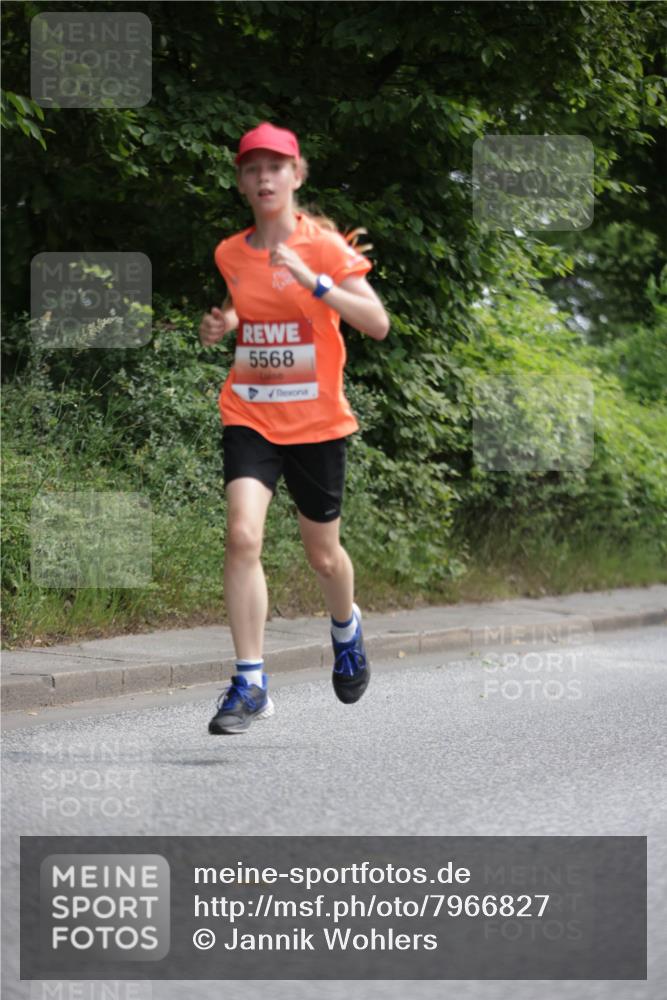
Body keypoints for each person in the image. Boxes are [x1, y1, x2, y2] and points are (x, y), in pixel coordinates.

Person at [199, 122, 390, 735]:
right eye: (252, 168)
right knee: (241, 536)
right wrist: (227, 321)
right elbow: (250, 298)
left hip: (317, 423)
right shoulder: (231, 252)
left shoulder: (326, 249)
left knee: (324, 557)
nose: (264, 177)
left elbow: (377, 323)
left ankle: (346, 630)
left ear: (296, 176)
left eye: (275, 167)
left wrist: (316, 283)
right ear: (242, 182)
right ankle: (250, 682)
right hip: (251, 412)